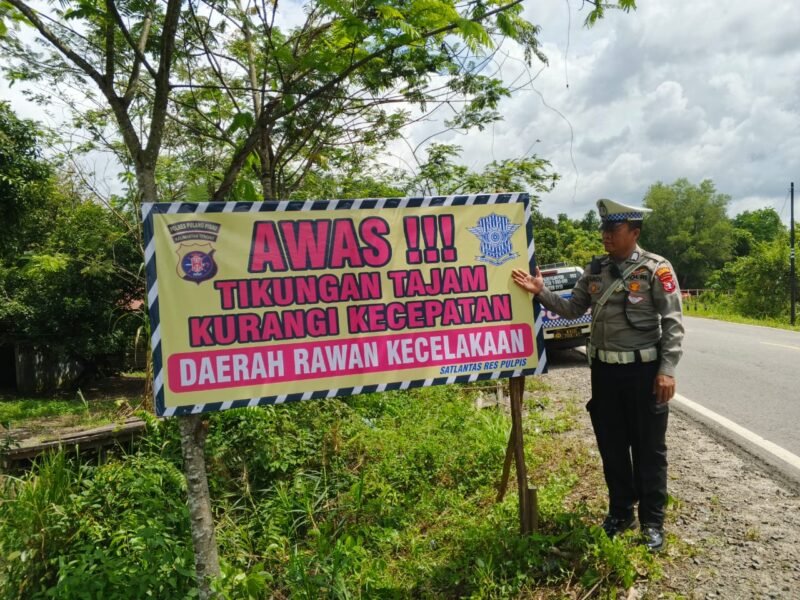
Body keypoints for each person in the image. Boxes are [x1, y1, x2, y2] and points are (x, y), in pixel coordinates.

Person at [511, 198, 684, 552]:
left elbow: (673, 324)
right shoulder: (595, 271)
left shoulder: (656, 269)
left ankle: (653, 522)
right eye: (603, 229)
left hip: (644, 372)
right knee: (613, 446)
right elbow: (572, 309)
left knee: (650, 449)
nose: (605, 235)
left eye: (613, 229)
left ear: (634, 232)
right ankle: (621, 513)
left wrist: (666, 370)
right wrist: (540, 291)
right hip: (604, 373)